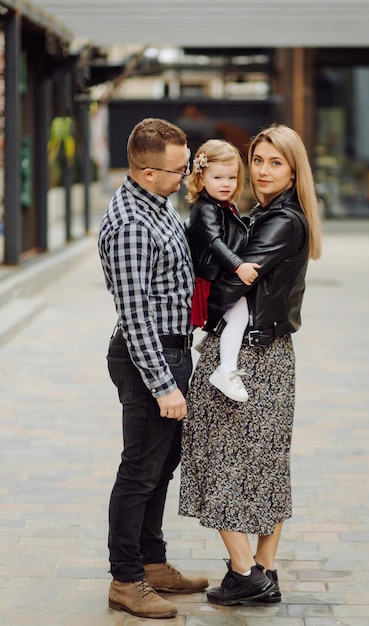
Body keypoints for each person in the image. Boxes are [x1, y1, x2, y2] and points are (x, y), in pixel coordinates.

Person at [179, 124, 322, 606]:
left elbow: (235, 284)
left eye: (274, 163)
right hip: (269, 351)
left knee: (214, 450)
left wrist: (194, 302)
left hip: (249, 355)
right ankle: (264, 569)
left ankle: (245, 574)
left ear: (293, 168)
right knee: (263, 460)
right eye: (257, 161)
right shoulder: (269, 213)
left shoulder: (281, 220)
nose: (262, 171)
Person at [98, 118, 209, 620]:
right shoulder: (129, 225)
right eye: (178, 169)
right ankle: (126, 579)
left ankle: (152, 561)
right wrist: (163, 383)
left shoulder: (158, 203)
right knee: (140, 470)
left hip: (174, 349)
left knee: (163, 465)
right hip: (150, 357)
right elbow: (134, 315)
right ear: (146, 172)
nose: (185, 176)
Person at [185, 139, 260, 402]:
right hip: (208, 279)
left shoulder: (223, 206)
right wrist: (238, 266)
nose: (225, 183)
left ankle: (209, 339)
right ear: (201, 177)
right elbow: (215, 243)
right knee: (239, 315)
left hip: (216, 275)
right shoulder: (205, 209)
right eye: (217, 177)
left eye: (231, 177)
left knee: (236, 314)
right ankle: (225, 370)